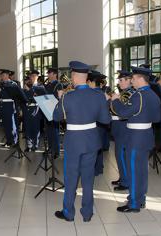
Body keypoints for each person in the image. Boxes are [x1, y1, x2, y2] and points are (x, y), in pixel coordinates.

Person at [53, 61, 111, 222]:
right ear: (86, 77)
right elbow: (106, 120)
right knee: (88, 178)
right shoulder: (98, 95)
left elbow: (56, 117)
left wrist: (60, 100)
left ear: (74, 76)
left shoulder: (67, 96)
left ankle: (68, 213)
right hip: (92, 140)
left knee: (71, 178)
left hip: (73, 142)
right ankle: (87, 213)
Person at [110, 66, 161, 212]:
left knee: (133, 170)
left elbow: (124, 113)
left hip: (135, 138)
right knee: (142, 171)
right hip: (146, 136)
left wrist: (115, 100)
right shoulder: (153, 94)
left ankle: (133, 203)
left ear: (139, 78)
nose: (131, 81)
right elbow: (157, 118)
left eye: (133, 78)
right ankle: (141, 198)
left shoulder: (138, 95)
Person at [110, 70, 134, 191]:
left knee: (121, 154)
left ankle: (125, 181)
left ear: (129, 80)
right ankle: (122, 176)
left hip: (123, 127)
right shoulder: (125, 92)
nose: (119, 83)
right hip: (119, 126)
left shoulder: (129, 93)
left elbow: (122, 111)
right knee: (119, 154)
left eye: (121, 80)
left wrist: (115, 100)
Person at [0, 69, 28, 147]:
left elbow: (14, 95)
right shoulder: (1, 84)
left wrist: (1, 91)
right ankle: (8, 140)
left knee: (12, 125)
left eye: (3, 75)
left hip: (10, 106)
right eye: (1, 76)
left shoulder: (13, 84)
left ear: (7, 75)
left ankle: (15, 141)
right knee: (6, 125)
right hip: (3, 105)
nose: (2, 77)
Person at [86, 70, 109, 176]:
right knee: (99, 146)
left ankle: (96, 168)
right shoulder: (101, 92)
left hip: (96, 124)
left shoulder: (93, 94)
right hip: (102, 124)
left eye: (87, 82)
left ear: (90, 82)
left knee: (94, 147)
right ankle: (99, 167)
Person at [23, 70, 46, 152]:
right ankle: (29, 145)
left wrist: (29, 91)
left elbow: (38, 98)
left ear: (37, 77)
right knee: (27, 128)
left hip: (36, 110)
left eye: (33, 76)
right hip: (27, 109)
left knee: (35, 128)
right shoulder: (27, 85)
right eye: (30, 76)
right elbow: (24, 98)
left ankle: (35, 145)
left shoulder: (40, 87)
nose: (31, 78)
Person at [44, 68, 63, 158]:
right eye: (48, 73)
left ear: (55, 74)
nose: (48, 75)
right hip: (47, 109)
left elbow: (60, 98)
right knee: (48, 131)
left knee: (55, 131)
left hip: (54, 110)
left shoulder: (58, 85)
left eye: (49, 73)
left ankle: (56, 151)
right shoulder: (47, 85)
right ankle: (50, 148)